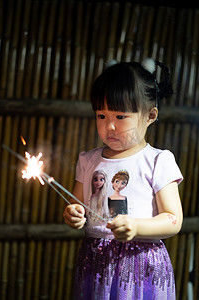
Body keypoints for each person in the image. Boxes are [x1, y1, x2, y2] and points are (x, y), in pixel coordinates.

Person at [63, 58, 183, 300]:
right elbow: (77, 206)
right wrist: (72, 214)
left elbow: (173, 220)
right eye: (101, 116)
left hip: (141, 265)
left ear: (150, 115)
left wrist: (137, 226)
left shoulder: (158, 161)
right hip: (95, 264)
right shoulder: (88, 160)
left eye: (120, 117)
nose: (109, 126)